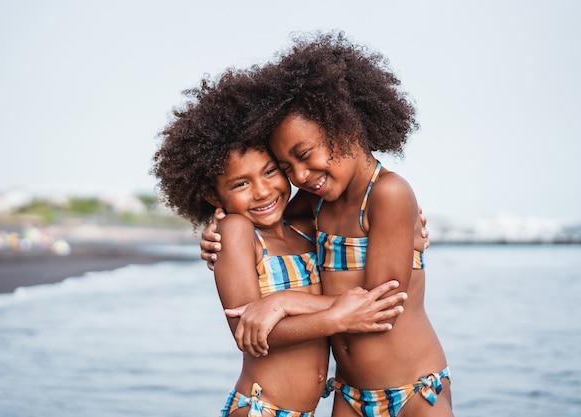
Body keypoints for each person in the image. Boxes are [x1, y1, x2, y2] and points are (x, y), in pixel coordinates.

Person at [200, 31, 453, 417]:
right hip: (347, 394)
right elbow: (266, 221)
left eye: (304, 155)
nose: (299, 176)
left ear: (346, 127)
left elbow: (381, 304)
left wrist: (281, 303)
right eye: (287, 167)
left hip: (413, 390)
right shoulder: (317, 205)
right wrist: (215, 228)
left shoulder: (388, 194)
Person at [152, 69, 409, 416]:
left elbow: (359, 213)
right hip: (261, 407)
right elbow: (247, 332)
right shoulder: (237, 232)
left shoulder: (305, 228)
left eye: (272, 171)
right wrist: (337, 319)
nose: (262, 191)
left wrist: (415, 229)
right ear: (215, 195)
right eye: (241, 184)